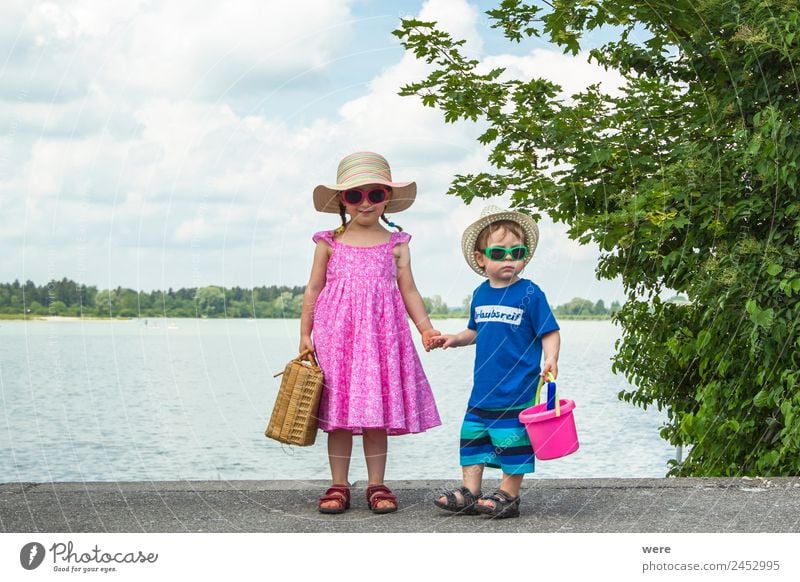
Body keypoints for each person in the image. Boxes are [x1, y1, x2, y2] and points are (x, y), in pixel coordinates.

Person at [300, 151, 442, 515]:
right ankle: (339, 483)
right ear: (342, 201)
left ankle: (377, 483)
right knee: (339, 412)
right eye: (355, 195)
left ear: (387, 199)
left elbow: (408, 289)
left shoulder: (397, 243)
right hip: (337, 336)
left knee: (376, 410)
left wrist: (425, 328)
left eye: (375, 195)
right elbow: (314, 288)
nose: (365, 203)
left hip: (383, 335)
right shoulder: (329, 241)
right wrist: (305, 334)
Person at [429, 205, 561, 519]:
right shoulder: (480, 294)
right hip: (483, 390)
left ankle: (508, 494)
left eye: (517, 252)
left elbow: (550, 331)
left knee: (513, 443)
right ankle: (470, 492)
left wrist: (551, 357)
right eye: (499, 253)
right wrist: (453, 339)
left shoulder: (531, 294)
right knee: (472, 437)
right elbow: (475, 331)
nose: (508, 259)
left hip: (517, 390)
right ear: (481, 258)